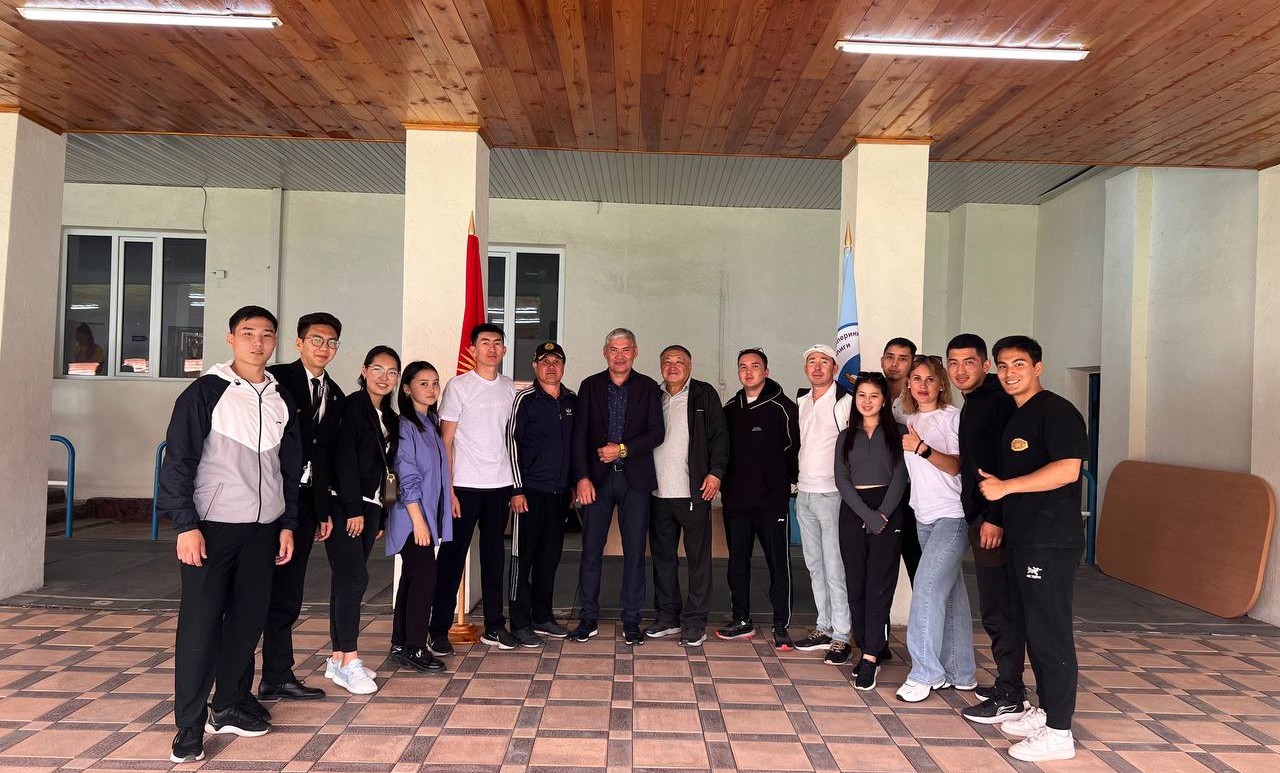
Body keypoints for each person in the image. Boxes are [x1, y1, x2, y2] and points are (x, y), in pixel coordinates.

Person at [159, 305, 300, 764]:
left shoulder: (280, 397)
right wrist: (185, 526)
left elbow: (290, 470)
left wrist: (286, 524)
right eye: (248, 333)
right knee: (200, 628)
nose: (258, 342)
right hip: (211, 528)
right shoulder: (204, 393)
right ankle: (189, 727)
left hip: (263, 530)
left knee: (246, 624)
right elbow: (178, 462)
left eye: (266, 334)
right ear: (230, 338)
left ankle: (228, 706)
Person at [979, 336, 1089, 763]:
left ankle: (1059, 733)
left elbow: (1067, 470)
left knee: (1050, 633)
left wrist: (1005, 487)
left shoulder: (1056, 411)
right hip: (1026, 539)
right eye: (1003, 365)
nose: (1010, 373)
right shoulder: (1019, 415)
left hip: (1050, 540)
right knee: (1031, 628)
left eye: (1019, 364)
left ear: (1038, 367)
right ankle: (1046, 713)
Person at [241, 313, 343, 705]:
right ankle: (235, 686)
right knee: (251, 592)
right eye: (316, 339)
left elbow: (326, 457)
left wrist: (322, 511)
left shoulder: (334, 392)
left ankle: (277, 676)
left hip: (302, 507)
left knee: (287, 594)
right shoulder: (275, 379)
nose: (323, 348)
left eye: (331, 342)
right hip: (264, 500)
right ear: (299, 343)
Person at [947, 334, 1027, 726]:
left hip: (993, 519)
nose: (960, 370)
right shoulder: (976, 401)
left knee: (999, 609)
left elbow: (1005, 465)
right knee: (996, 606)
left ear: (985, 365)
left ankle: (1010, 694)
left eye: (969, 362)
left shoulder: (997, 402)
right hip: (982, 516)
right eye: (953, 362)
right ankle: (1008, 685)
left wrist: (995, 516)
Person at [570, 328, 665, 645]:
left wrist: (622, 449)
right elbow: (579, 435)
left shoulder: (649, 387)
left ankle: (632, 620)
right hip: (596, 481)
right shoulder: (590, 386)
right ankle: (588, 618)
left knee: (635, 552)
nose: (620, 356)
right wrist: (582, 477)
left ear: (635, 352)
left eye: (626, 350)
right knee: (590, 551)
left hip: (634, 479)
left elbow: (656, 432)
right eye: (614, 349)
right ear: (605, 352)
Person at [429, 324, 519, 652]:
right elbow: (446, 442)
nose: (491, 349)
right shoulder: (458, 387)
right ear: (473, 350)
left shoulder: (510, 388)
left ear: (504, 350)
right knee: (451, 559)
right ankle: (438, 629)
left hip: (499, 486)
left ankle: (494, 626)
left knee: (494, 559)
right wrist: (448, 490)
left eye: (497, 343)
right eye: (485, 343)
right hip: (464, 487)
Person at [895, 354, 977, 704]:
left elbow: (958, 466)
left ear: (942, 384)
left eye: (930, 379)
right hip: (924, 518)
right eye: (916, 379)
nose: (923, 385)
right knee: (951, 593)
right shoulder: (910, 419)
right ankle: (961, 672)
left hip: (952, 516)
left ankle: (925, 673)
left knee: (926, 589)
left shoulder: (953, 418)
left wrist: (922, 448)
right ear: (908, 384)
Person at [327, 345, 400, 695]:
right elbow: (344, 460)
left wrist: (380, 513)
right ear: (364, 370)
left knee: (345, 581)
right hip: (347, 506)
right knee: (354, 579)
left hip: (371, 507)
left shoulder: (390, 416)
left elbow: (387, 471)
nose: (384, 377)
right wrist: (353, 508)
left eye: (391, 372)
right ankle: (350, 661)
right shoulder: (352, 407)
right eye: (378, 369)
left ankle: (337, 658)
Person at [646, 344, 729, 648]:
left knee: (698, 560)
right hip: (657, 492)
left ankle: (694, 622)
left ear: (690, 366)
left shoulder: (704, 394)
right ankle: (668, 616)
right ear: (660, 366)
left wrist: (716, 473)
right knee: (663, 559)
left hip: (693, 492)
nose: (673, 366)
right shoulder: (652, 395)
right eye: (667, 361)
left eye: (679, 361)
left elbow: (720, 436)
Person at [719, 348, 800, 650]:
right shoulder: (730, 409)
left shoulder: (783, 407)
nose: (749, 371)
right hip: (737, 502)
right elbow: (722, 452)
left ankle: (781, 625)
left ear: (766, 371)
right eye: (743, 367)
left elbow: (794, 451)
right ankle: (741, 620)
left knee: (778, 563)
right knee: (737, 563)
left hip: (772, 502)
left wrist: (785, 485)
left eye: (755, 366)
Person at [834, 372, 907, 691]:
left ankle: (870, 656)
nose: (866, 401)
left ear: (884, 400)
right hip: (853, 510)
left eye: (874, 395)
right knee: (856, 584)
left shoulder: (899, 433)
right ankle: (870, 643)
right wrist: (866, 514)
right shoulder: (845, 436)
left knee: (879, 584)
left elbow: (901, 477)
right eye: (861, 395)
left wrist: (882, 515)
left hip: (888, 510)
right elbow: (841, 478)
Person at [506, 341, 577, 645]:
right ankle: (520, 622)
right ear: (535, 366)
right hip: (530, 493)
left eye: (556, 361)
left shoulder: (572, 400)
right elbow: (511, 443)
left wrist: (575, 484)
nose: (551, 367)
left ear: (563, 366)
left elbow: (577, 447)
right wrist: (517, 489)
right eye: (545, 361)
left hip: (559, 495)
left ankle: (543, 617)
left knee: (549, 559)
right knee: (523, 559)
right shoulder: (524, 399)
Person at [387, 361, 452, 673]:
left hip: (423, 516)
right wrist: (419, 522)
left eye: (435, 383)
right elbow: (407, 476)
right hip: (411, 517)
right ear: (406, 388)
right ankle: (415, 647)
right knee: (426, 578)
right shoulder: (406, 426)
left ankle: (401, 642)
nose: (431, 389)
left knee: (412, 578)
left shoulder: (431, 422)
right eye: (423, 383)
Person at [793, 344, 854, 665]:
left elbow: (854, 448)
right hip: (804, 494)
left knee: (834, 567)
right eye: (812, 362)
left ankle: (842, 635)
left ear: (835, 368)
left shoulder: (845, 402)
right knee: (815, 565)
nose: (817, 367)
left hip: (832, 495)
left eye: (824, 362)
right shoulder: (801, 401)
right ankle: (824, 627)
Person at [882, 337, 922, 584]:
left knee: (917, 560)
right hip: (880, 488)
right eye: (890, 357)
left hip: (912, 490)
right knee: (881, 566)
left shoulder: (920, 396)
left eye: (902, 358)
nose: (895, 364)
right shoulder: (871, 393)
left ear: (912, 362)